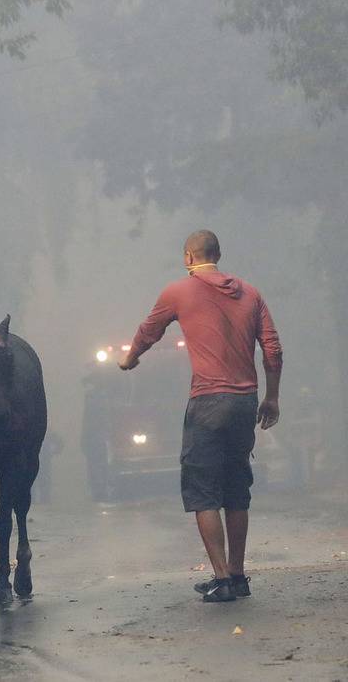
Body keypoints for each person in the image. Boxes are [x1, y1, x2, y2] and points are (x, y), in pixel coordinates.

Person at [118, 230, 282, 603]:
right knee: (237, 489)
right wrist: (271, 398)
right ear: (218, 254)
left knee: (204, 490)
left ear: (188, 257)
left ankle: (221, 578)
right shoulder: (251, 293)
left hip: (207, 401)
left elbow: (149, 331)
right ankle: (239, 577)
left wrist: (131, 357)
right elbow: (272, 348)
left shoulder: (179, 292)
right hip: (245, 402)